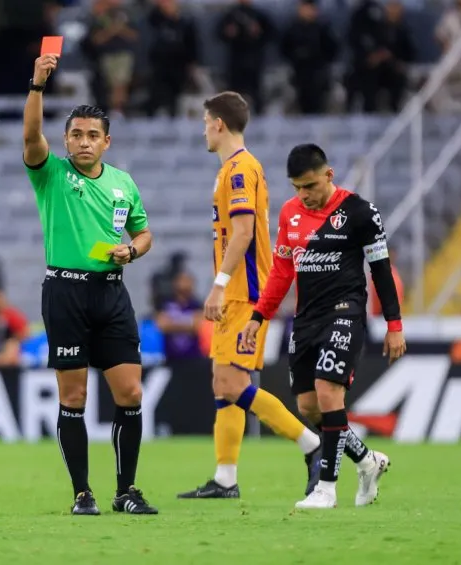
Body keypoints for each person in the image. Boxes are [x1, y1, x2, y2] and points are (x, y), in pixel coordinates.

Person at [23, 53, 158, 516]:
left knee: (131, 393)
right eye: (76, 135)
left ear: (106, 142)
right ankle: (83, 493)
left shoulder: (123, 183)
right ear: (65, 140)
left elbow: (143, 232)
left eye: (92, 136)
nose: (83, 142)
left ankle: (126, 491)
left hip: (111, 293)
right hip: (65, 293)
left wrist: (132, 250)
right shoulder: (52, 173)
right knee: (74, 397)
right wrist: (38, 86)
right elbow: (29, 136)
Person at [240, 144, 406, 509]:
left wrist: (394, 324)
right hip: (306, 318)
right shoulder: (289, 214)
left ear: (329, 175)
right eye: (297, 187)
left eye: (310, 186)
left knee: (329, 392)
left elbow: (380, 269)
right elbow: (282, 272)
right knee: (310, 407)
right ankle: (366, 461)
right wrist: (258, 316)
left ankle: (326, 489)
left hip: (345, 311)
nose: (304, 195)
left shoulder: (360, 213)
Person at [177, 92, 322, 502]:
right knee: (223, 387)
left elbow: (242, 233)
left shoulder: (240, 170)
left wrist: (220, 283)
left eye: (206, 122)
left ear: (219, 124)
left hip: (244, 293)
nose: (204, 129)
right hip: (238, 292)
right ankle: (225, 479)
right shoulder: (232, 170)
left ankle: (311, 446)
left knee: (231, 382)